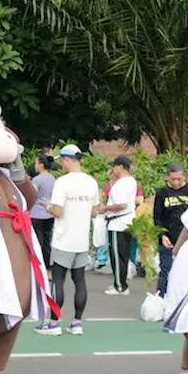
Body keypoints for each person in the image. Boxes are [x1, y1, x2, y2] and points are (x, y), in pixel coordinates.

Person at [43, 144, 99, 335]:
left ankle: (54, 323)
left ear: (66, 160)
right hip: (81, 239)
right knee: (79, 280)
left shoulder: (63, 182)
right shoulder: (91, 182)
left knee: (58, 280)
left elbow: (58, 211)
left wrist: (49, 207)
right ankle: (76, 323)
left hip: (63, 239)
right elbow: (94, 211)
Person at [152, 162, 188, 295]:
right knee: (165, 271)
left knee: (187, 272)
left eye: (179, 179)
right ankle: (161, 300)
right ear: (167, 177)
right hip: (168, 240)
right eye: (173, 179)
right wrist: (162, 235)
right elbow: (157, 218)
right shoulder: (162, 193)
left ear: (185, 176)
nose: (176, 182)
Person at [99, 155, 137, 295]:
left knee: (117, 255)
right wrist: (112, 179)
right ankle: (121, 283)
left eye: (114, 166)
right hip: (127, 221)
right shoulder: (130, 181)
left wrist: (105, 209)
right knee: (124, 255)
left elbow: (121, 204)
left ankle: (120, 286)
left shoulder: (122, 184)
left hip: (118, 223)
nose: (112, 169)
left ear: (120, 166)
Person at [29, 154, 56, 268]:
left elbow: (31, 194)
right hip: (49, 214)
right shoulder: (53, 178)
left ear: (41, 165)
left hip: (36, 213)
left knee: (37, 242)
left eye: (36, 163)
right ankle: (48, 268)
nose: (35, 166)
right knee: (46, 242)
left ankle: (37, 267)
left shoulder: (36, 180)